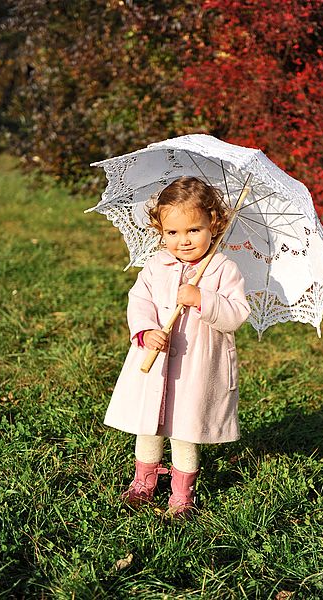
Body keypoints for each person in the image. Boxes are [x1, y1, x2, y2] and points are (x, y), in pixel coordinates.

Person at [104, 176, 251, 517]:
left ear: (215, 225)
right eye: (173, 233)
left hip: (196, 365)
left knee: (186, 426)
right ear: (160, 231)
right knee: (149, 423)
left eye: (194, 231)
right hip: (155, 361)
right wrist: (145, 331)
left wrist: (203, 299)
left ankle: (182, 495)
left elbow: (236, 314)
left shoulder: (222, 269)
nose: (183, 241)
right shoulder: (157, 265)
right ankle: (144, 481)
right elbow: (139, 300)